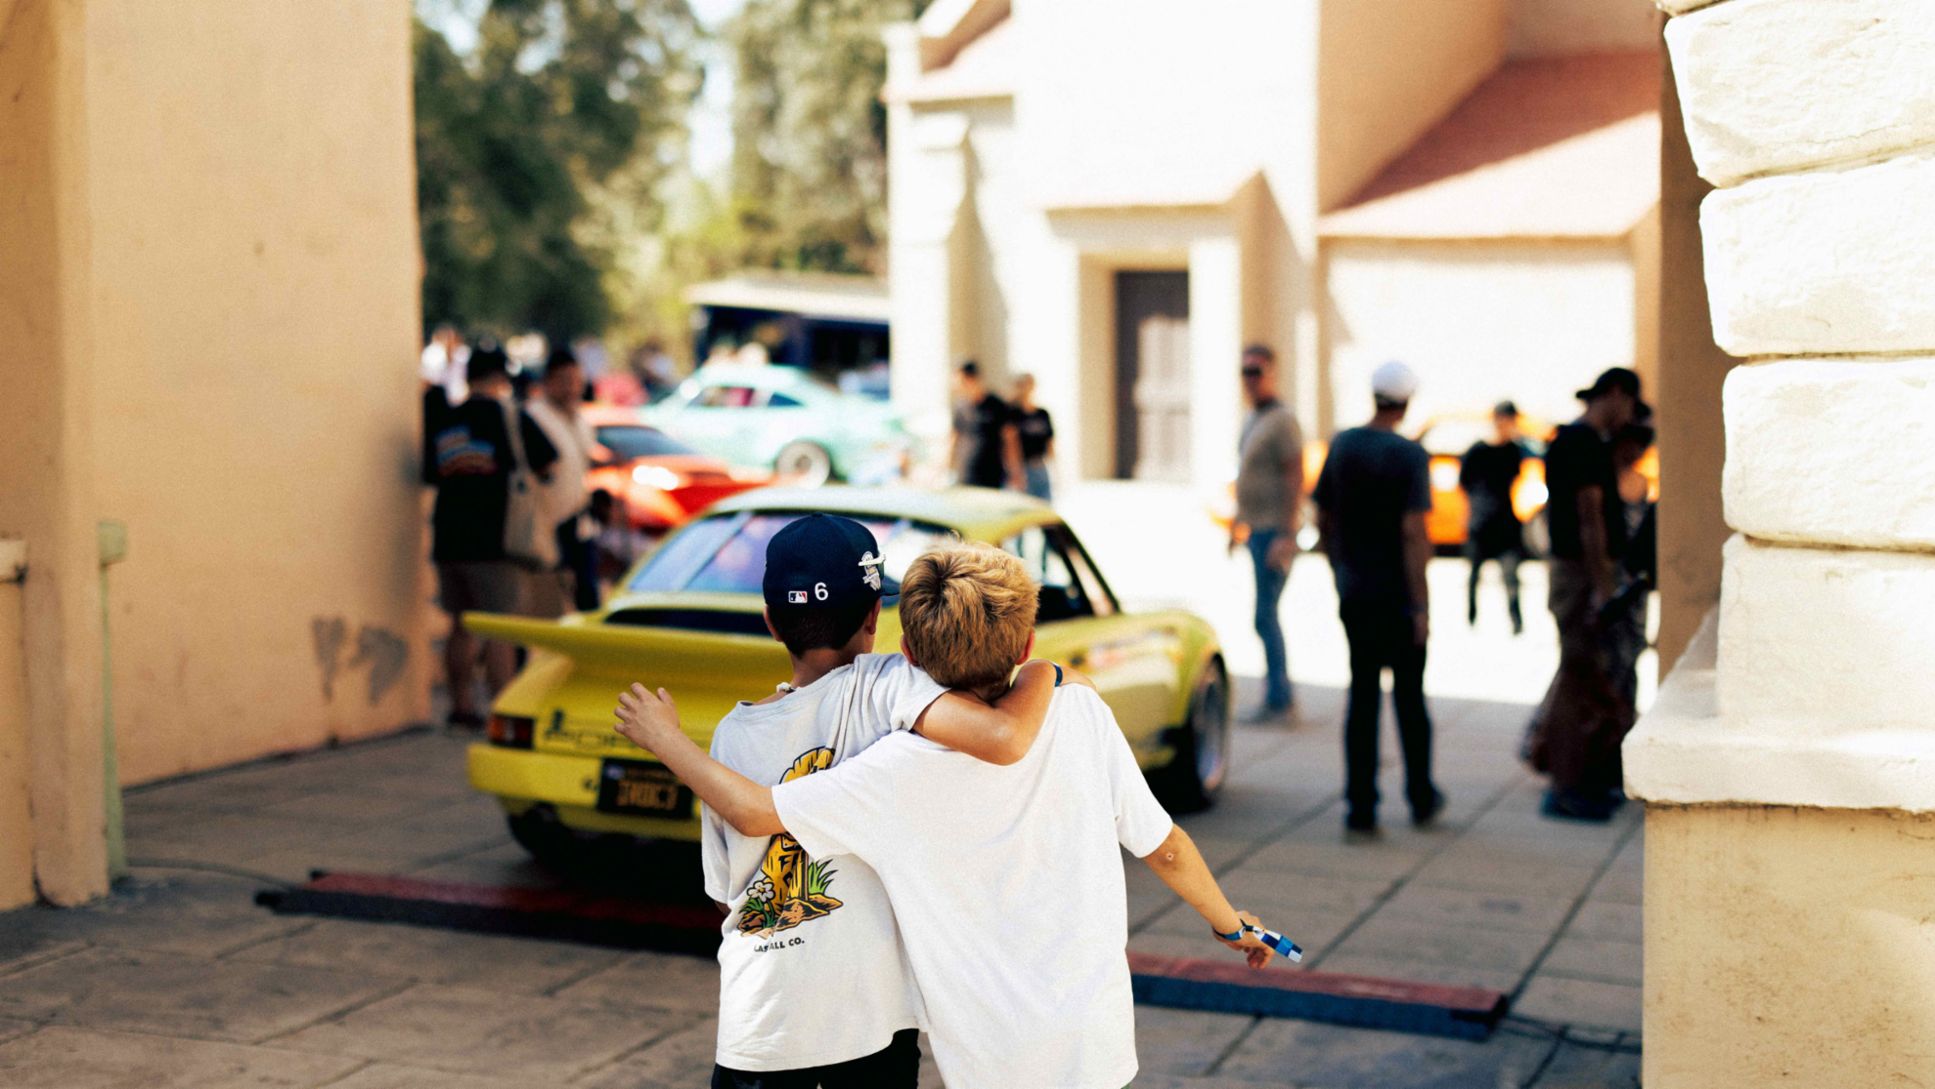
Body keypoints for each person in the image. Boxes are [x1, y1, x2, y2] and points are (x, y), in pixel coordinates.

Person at [615, 542, 1278, 1089]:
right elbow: (1162, 846)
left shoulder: (893, 769)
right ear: (1023, 645)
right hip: (1092, 1039)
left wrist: (666, 740)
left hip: (984, 1053)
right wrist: (1230, 925)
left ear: (908, 655)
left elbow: (759, 813)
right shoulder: (1078, 710)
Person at [615, 515, 1068, 1089]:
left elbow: (724, 889)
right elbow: (1004, 738)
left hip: (759, 1028)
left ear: (772, 623)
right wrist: (1046, 671)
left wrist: (667, 739)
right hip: (867, 1028)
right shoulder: (890, 685)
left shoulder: (734, 733)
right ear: (876, 618)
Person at [1312, 361, 1442, 834]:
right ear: (1405, 403)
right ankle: (1421, 795)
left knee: (1362, 696)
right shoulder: (1408, 455)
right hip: (1397, 597)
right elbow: (1413, 533)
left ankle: (1360, 805)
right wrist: (1421, 604)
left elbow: (1323, 516)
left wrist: (1339, 567)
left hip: (1356, 591)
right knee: (1410, 698)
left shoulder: (1343, 445)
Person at [1526, 367, 1649, 822]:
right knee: (1576, 679)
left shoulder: (1580, 441)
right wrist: (1603, 588)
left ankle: (1577, 780)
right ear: (1616, 394)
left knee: (1581, 677)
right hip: (1580, 574)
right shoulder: (1581, 442)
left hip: (1580, 573)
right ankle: (1564, 785)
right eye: (1629, 406)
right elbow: (1589, 517)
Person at [425, 345, 558, 728]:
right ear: (501, 378)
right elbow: (548, 463)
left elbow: (431, 473)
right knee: (501, 627)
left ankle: (460, 706)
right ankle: (504, 710)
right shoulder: (509, 416)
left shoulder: (446, 418)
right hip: (498, 540)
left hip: (449, 536)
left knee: (460, 626)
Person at [1232, 344, 1304, 720]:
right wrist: (1236, 521)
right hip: (1255, 529)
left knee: (1265, 615)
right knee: (1264, 615)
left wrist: (1287, 535)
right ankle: (1278, 694)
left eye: (1257, 371)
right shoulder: (1253, 417)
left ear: (1272, 373)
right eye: (1245, 371)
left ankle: (1280, 698)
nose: (1250, 379)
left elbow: (1295, 476)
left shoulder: (1282, 419)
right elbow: (1247, 473)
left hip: (1274, 533)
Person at [524, 346, 600, 614]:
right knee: (543, 605)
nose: (573, 389)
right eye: (565, 381)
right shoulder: (534, 417)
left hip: (578, 521)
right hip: (544, 524)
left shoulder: (580, 420)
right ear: (549, 382)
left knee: (588, 600)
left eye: (577, 381)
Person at [1459, 401, 1530, 634]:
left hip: (1505, 523)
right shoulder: (1477, 451)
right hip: (1481, 523)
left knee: (1511, 578)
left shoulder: (1513, 450)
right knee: (1474, 576)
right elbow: (1465, 486)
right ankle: (1470, 617)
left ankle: (1516, 621)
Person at [949, 360, 1021, 490]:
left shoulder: (997, 405)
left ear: (972, 379)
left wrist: (1015, 471)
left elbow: (1010, 440)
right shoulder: (959, 407)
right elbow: (953, 438)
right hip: (966, 474)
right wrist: (944, 467)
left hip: (991, 475)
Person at [1010, 373, 1055, 501]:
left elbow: (1050, 442)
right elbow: (1011, 444)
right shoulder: (1014, 414)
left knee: (1046, 503)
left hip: (1041, 465)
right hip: (1024, 467)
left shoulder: (1042, 413)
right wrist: (1016, 471)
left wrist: (1054, 468)